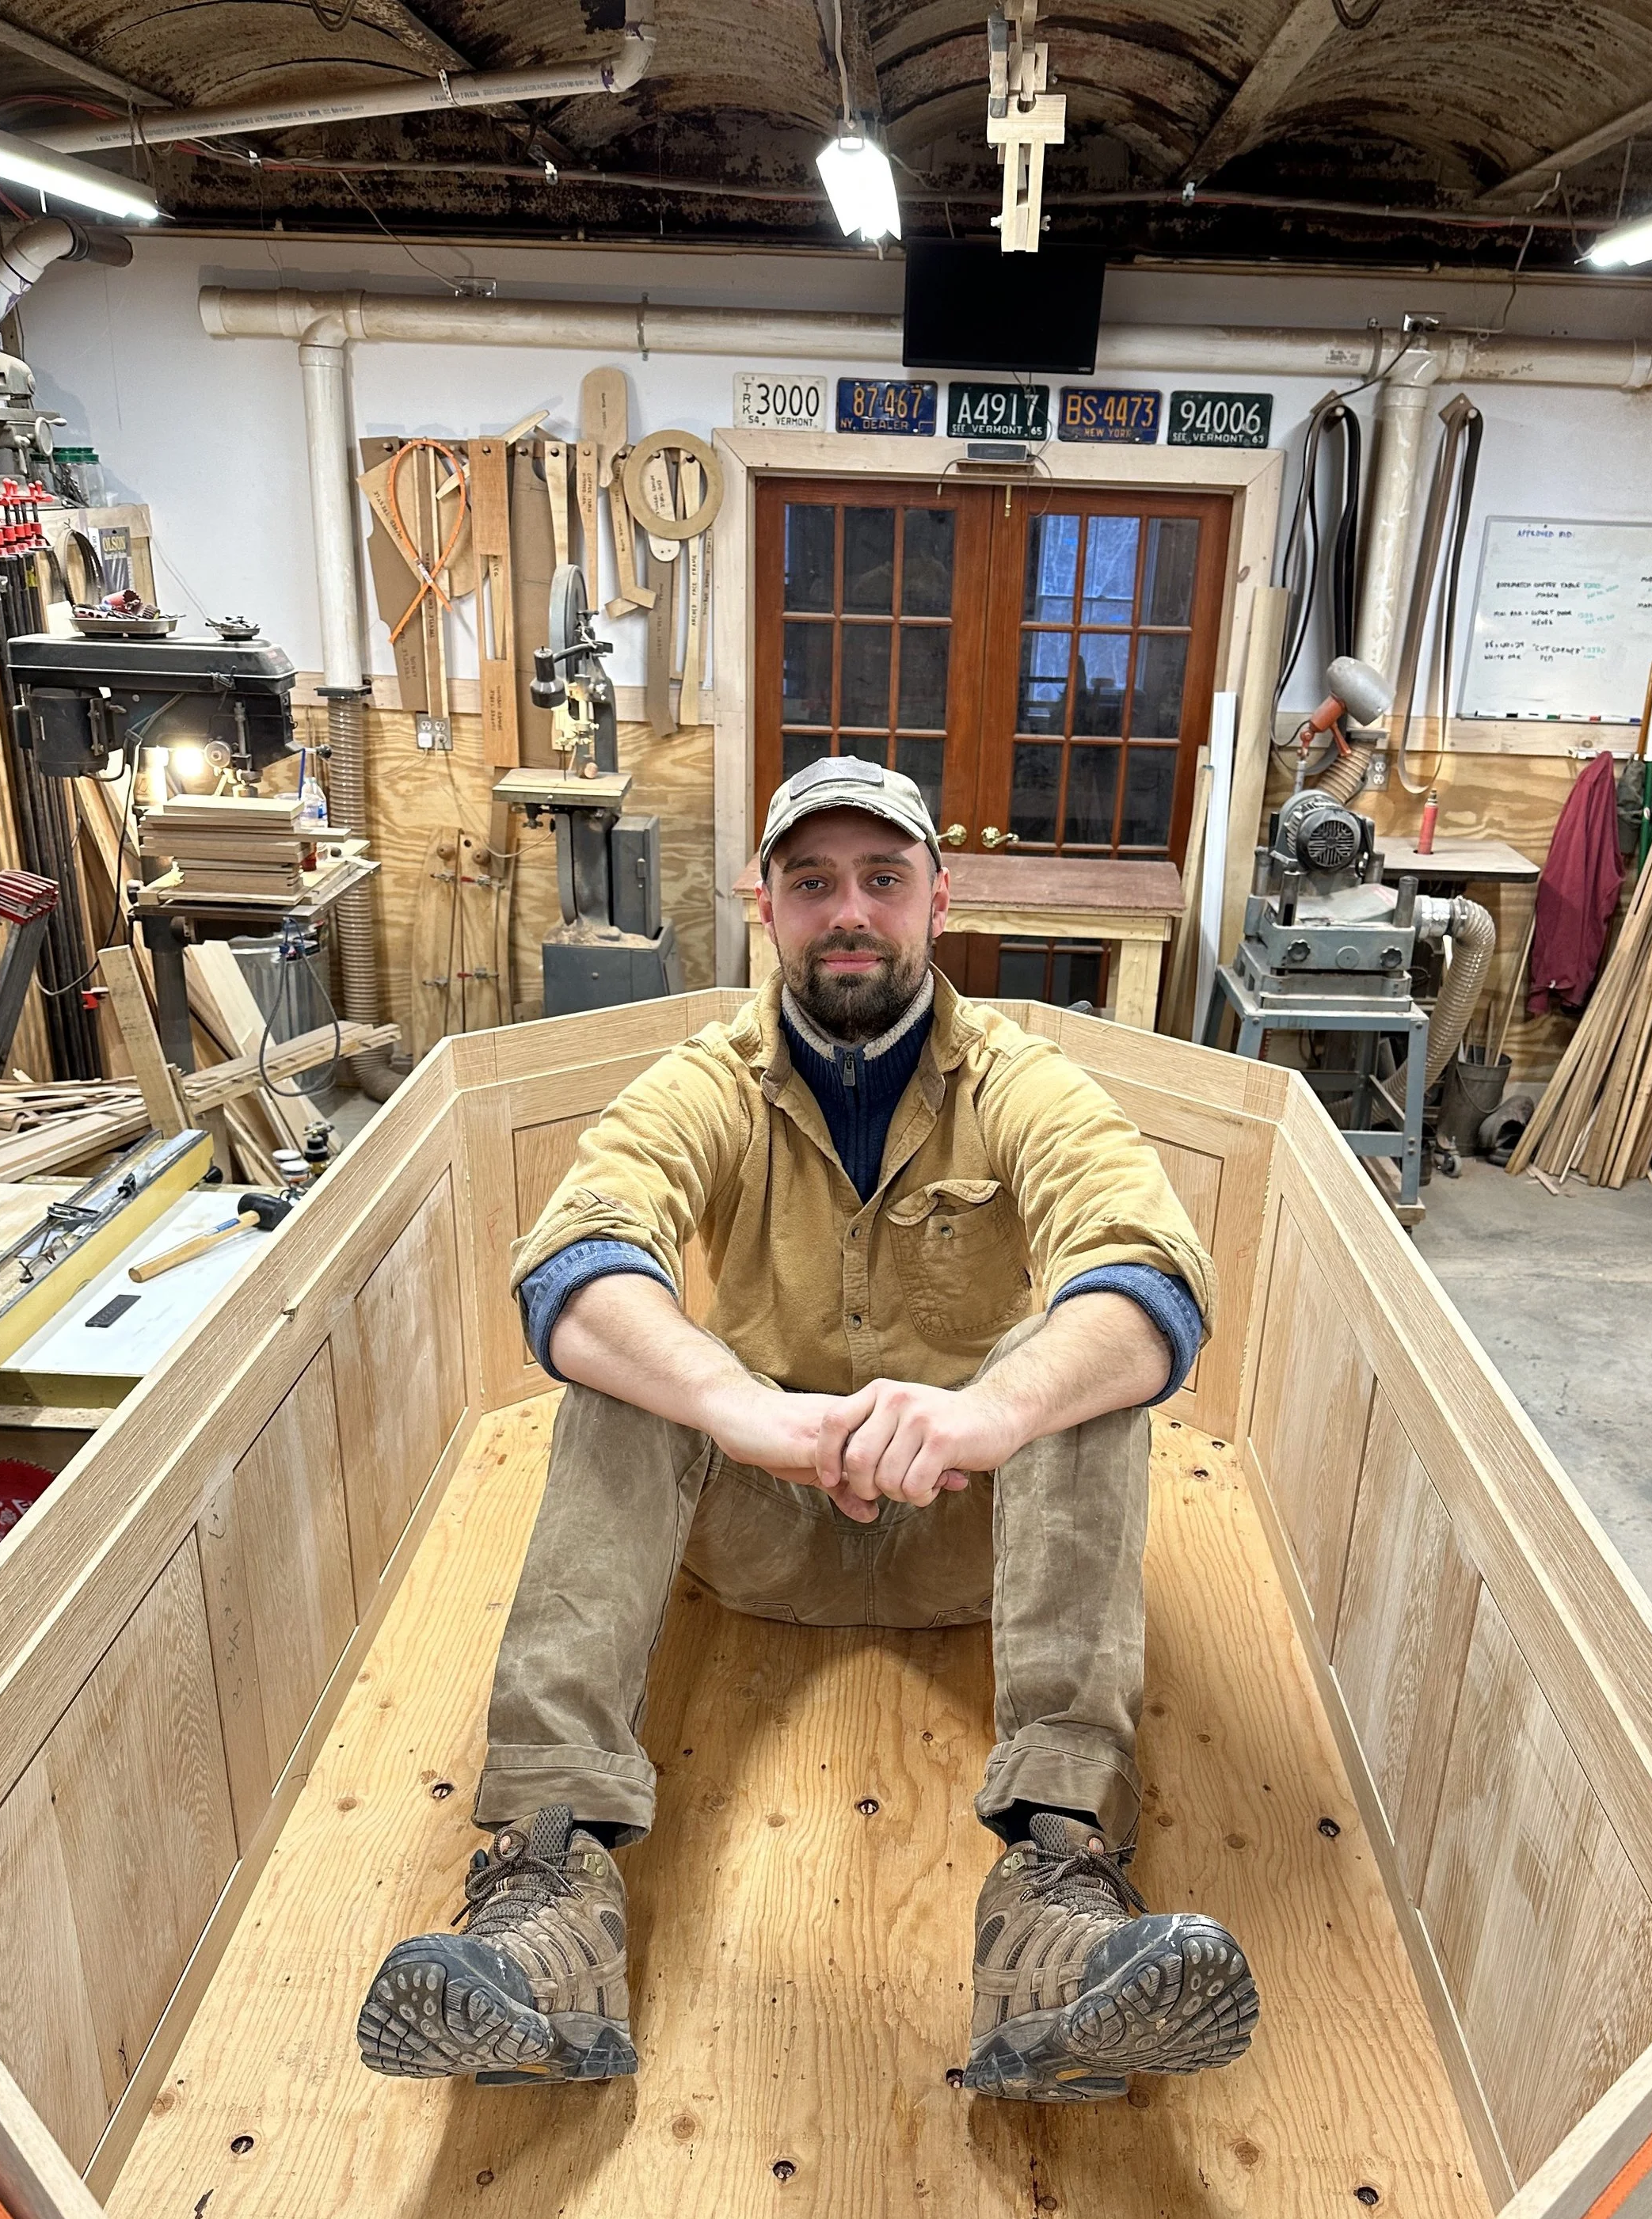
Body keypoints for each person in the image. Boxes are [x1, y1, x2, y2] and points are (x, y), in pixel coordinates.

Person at [357, 753, 1259, 2102]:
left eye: (882, 881)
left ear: (937, 903)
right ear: (762, 909)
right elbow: (573, 1253)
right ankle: (548, 1893)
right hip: (761, 1533)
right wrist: (741, 1411)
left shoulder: (1021, 1078)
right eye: (814, 883)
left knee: (1082, 1366)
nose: (851, 911)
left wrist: (984, 1410)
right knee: (630, 1360)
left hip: (973, 1539)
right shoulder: (709, 1076)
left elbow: (1151, 1269)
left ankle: (1059, 1898)